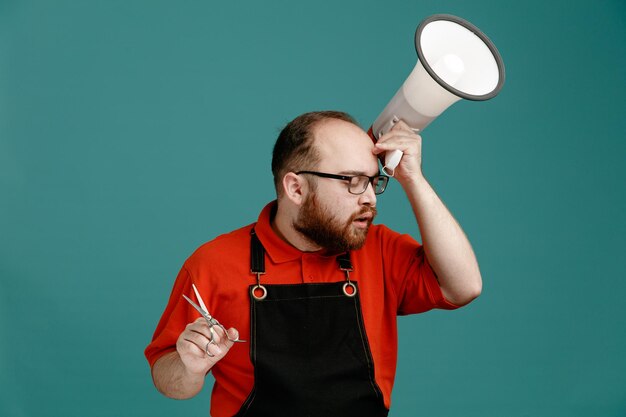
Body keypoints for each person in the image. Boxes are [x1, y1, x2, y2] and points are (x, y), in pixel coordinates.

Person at [145, 111, 482, 417]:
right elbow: (167, 378)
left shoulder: (380, 249)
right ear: (296, 188)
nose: (369, 197)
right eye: (351, 180)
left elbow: (464, 287)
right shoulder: (213, 263)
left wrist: (413, 178)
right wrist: (188, 367)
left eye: (373, 180)